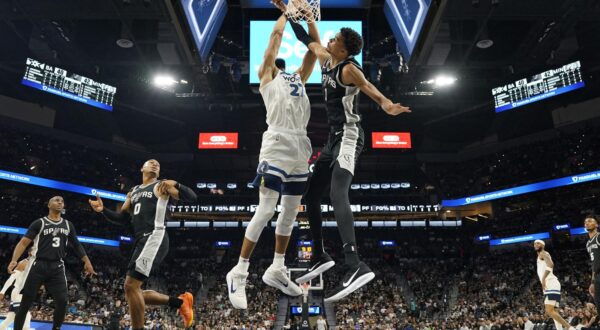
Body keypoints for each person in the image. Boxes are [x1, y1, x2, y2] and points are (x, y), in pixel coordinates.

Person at [274, 0, 411, 302]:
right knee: (310, 196)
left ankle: (355, 264)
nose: (329, 40)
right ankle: (320, 255)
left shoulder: (349, 69)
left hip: (350, 136)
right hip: (332, 141)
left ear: (345, 49)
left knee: (338, 193)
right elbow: (305, 39)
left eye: (335, 39)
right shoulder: (326, 59)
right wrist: (291, 10)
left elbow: (371, 89)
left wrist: (387, 105)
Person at [226, 10, 319, 310]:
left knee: (290, 213)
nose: (278, 63)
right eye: (274, 62)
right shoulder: (267, 79)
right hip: (277, 143)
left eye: (280, 63)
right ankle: (239, 271)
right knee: (266, 209)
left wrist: (308, 18)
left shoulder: (299, 78)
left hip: (301, 145)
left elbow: (314, 49)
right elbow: (276, 39)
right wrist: (285, 13)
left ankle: (277, 267)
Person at [89, 159, 197, 329]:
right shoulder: (133, 191)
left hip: (155, 235)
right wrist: (103, 210)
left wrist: (176, 183)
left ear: (159, 172)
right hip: (141, 240)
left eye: (158, 164)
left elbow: (192, 197)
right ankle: (180, 302)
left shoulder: (162, 185)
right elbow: (123, 219)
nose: (154, 164)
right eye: (150, 162)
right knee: (133, 293)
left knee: (131, 286)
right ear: (142, 168)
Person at [7, 196, 96, 330]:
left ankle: (56, 328)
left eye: (62, 201)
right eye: (56, 200)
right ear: (49, 205)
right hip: (38, 265)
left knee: (62, 301)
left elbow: (76, 245)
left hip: (57, 266)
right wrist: (14, 260)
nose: (60, 202)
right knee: (25, 302)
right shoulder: (39, 223)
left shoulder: (68, 225)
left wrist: (87, 262)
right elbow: (24, 242)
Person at [533, 239, 575, 330]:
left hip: (551, 283)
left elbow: (551, 264)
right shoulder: (540, 255)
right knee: (553, 311)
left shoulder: (543, 253)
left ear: (543, 245)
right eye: (535, 243)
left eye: (538, 243)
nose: (536, 244)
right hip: (549, 285)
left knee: (549, 310)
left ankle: (570, 328)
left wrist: (543, 279)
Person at [0, 255, 32, 330]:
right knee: (26, 317)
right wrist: (2, 291)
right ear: (31, 253)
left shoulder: (34, 264)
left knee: (10, 318)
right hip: (19, 292)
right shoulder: (24, 262)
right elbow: (12, 278)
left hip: (24, 293)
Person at [585, 214, 600, 324]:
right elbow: (593, 263)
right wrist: (592, 282)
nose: (587, 223)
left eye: (590, 221)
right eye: (586, 222)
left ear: (597, 224)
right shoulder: (588, 243)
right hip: (598, 276)